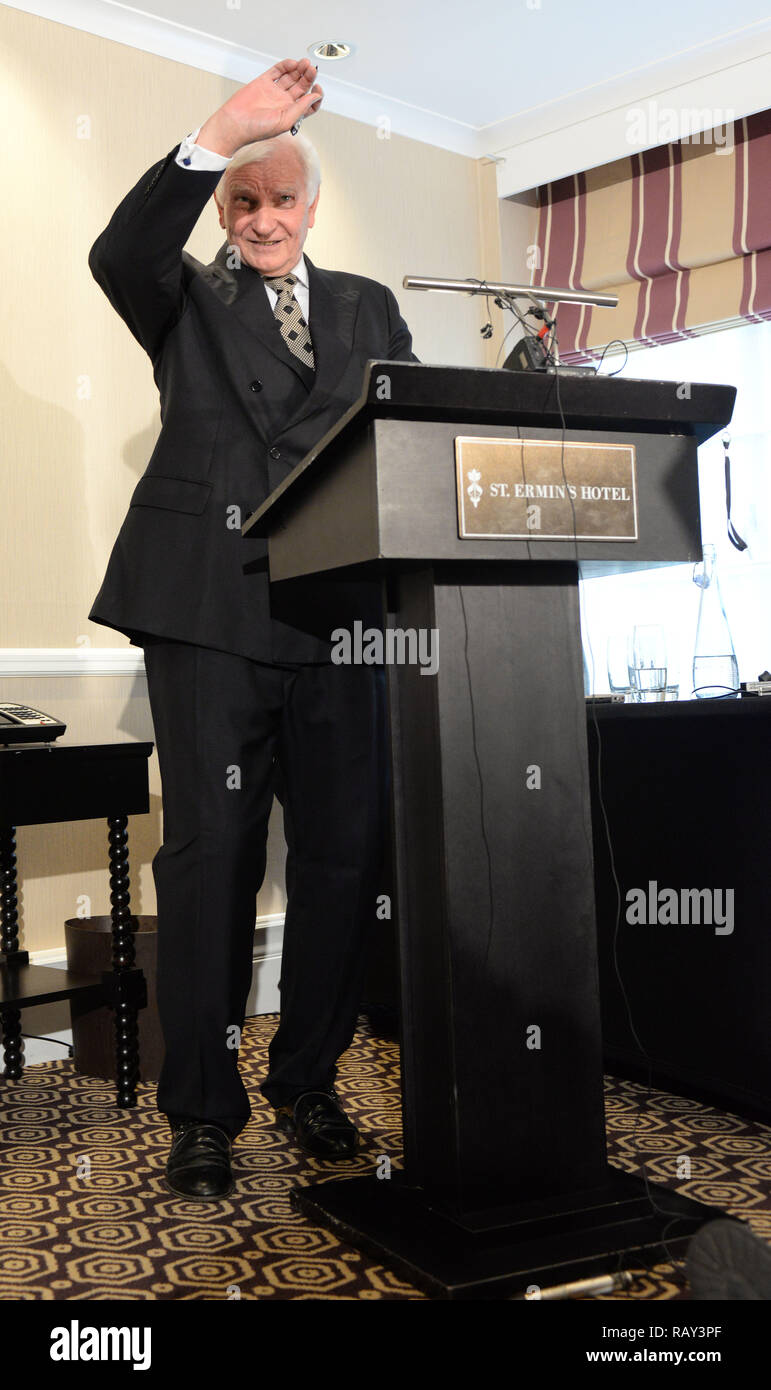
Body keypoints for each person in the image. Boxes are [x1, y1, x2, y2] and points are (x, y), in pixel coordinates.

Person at [87, 58, 419, 1199]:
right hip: (207, 610)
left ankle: (310, 1079)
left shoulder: (372, 306)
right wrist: (221, 132)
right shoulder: (180, 294)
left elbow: (408, 446)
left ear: (313, 209)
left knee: (341, 859)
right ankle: (202, 1113)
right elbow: (118, 252)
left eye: (282, 198)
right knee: (213, 861)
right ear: (223, 212)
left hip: (341, 624)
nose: (265, 217)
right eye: (245, 200)